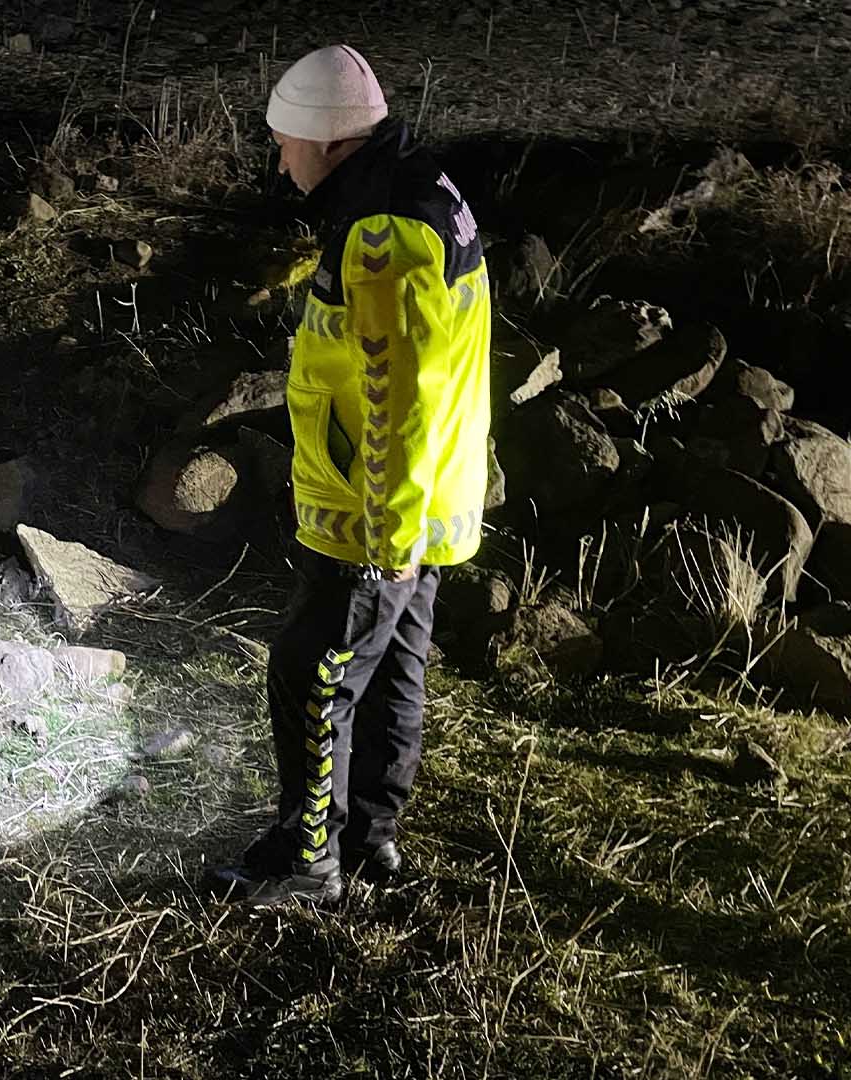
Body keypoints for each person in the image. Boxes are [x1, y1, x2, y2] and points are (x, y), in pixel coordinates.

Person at [205, 44, 492, 906]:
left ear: (329, 141)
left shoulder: (382, 235)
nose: (280, 157)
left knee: (311, 672)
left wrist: (387, 537)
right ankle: (370, 840)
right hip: (428, 495)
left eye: (287, 141)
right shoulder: (424, 187)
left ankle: (309, 863)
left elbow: (400, 393)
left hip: (379, 510)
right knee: (396, 667)